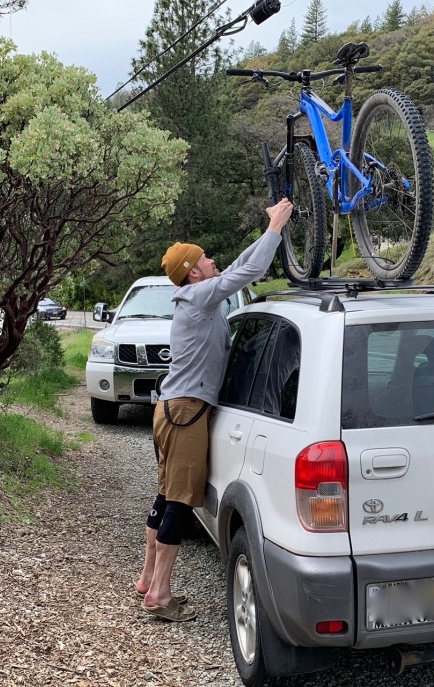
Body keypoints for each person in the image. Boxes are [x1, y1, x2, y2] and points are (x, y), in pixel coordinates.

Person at [136, 198, 294, 622]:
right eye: (206, 258)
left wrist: (266, 231)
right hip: (186, 413)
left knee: (167, 494)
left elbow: (237, 267)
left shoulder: (195, 296)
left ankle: (148, 578)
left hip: (172, 409)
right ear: (192, 271)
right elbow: (246, 272)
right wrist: (276, 230)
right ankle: (161, 594)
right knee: (180, 503)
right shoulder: (200, 298)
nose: (213, 261)